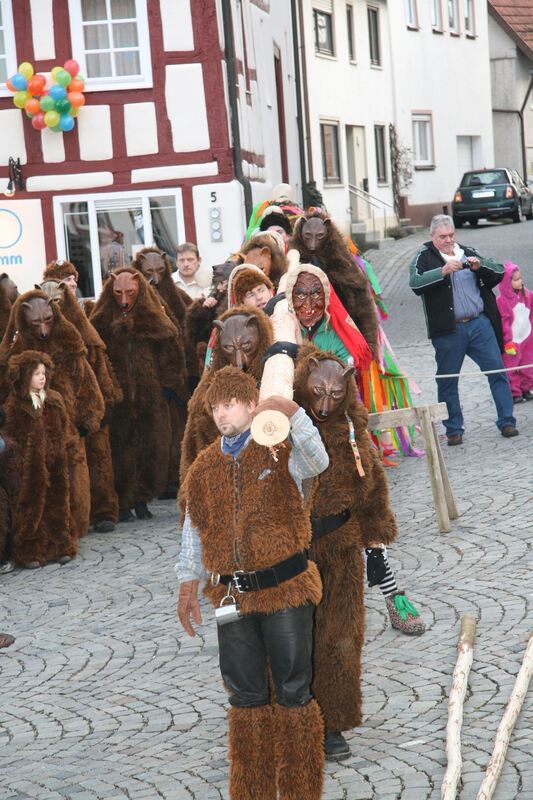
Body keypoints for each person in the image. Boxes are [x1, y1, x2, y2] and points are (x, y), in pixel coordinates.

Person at [176, 366, 327, 800]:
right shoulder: (204, 466)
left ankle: (300, 793)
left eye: (229, 405)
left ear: (249, 404)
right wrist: (188, 581)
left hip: (286, 589)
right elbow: (192, 527)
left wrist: (292, 412)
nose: (222, 414)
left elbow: (318, 461)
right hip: (231, 597)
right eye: (215, 407)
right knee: (245, 698)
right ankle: (253, 793)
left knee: (294, 693)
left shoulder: (278, 447)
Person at [0, 290, 105, 540]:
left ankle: (69, 534)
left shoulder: (70, 348)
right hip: (27, 437)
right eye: (35, 323)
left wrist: (84, 425)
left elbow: (89, 388)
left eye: (47, 320)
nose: (43, 329)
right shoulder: (13, 357)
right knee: (34, 490)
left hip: (67, 432)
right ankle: (39, 539)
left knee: (73, 485)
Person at [409, 214, 519, 444]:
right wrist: (442, 271)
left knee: (497, 372)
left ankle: (507, 421)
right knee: (447, 380)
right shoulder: (424, 256)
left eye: (451, 235)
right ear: (433, 237)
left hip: (480, 324)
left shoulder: (467, 251)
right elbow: (415, 283)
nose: (448, 240)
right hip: (449, 330)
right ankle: (453, 429)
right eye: (442, 237)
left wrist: (480, 267)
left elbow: (498, 271)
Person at [90, 269, 186, 521]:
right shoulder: (102, 321)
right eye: (118, 293)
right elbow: (96, 356)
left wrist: (168, 386)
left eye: (130, 293)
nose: (124, 300)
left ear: (139, 290)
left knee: (151, 448)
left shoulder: (154, 318)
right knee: (120, 450)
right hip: (119, 399)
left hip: (150, 395)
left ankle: (143, 498)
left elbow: (171, 350)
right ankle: (123, 502)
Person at [3, 352, 76, 568]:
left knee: (58, 503)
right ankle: (30, 549)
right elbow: (11, 437)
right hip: (29, 467)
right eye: (36, 374)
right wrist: (17, 466)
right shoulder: (14, 405)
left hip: (56, 461)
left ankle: (60, 545)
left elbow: (65, 429)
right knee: (30, 508)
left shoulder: (54, 400)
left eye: (44, 373)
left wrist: (68, 455)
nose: (42, 377)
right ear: (25, 375)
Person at [496, 261, 533, 403]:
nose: (520, 281)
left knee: (527, 362)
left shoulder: (527, 295)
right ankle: (514, 391)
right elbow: (503, 322)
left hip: (526, 336)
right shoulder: (502, 301)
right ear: (507, 282)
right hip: (512, 340)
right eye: (516, 279)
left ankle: (527, 387)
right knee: (511, 366)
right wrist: (507, 339)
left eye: (520, 278)